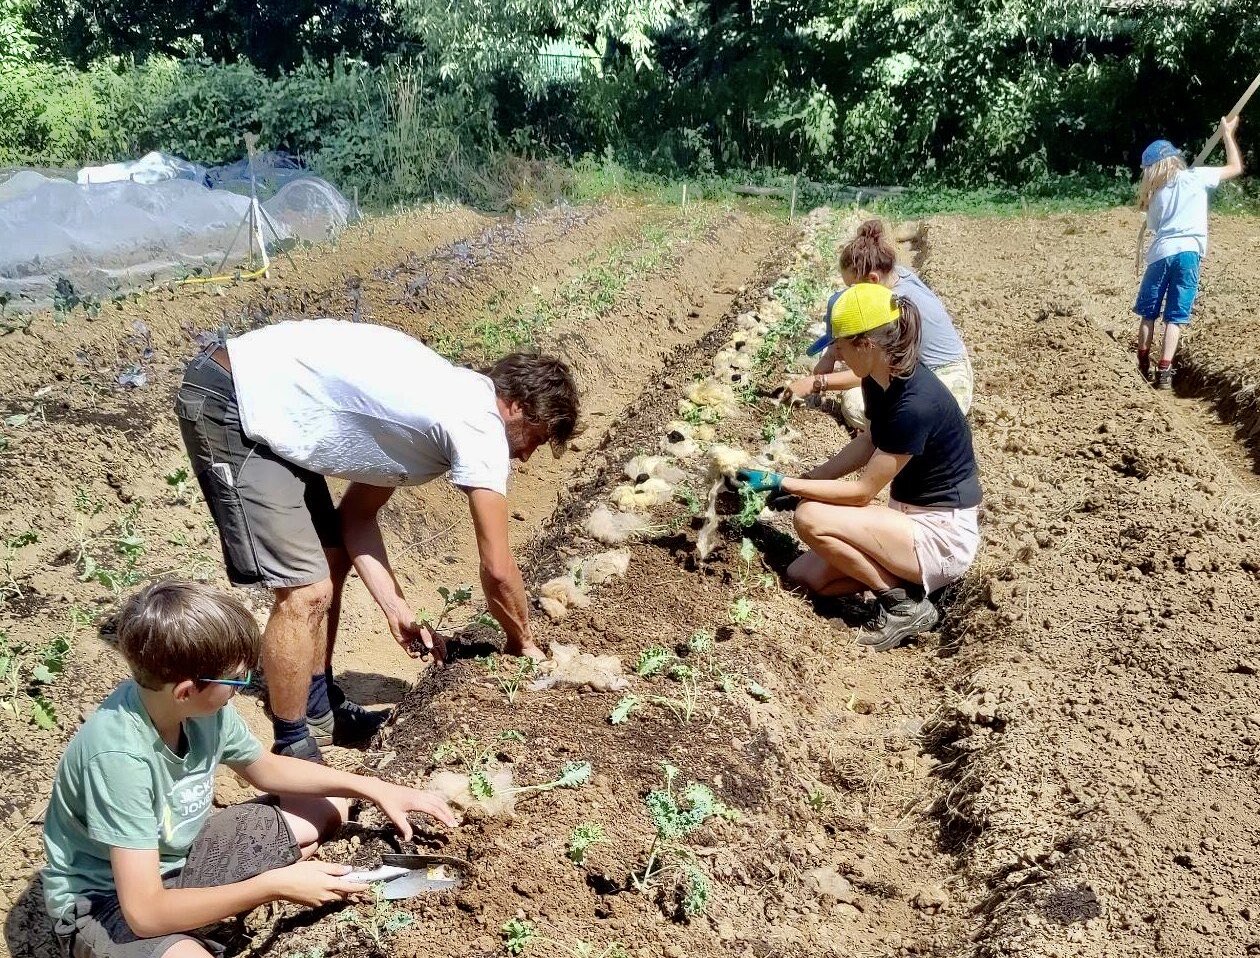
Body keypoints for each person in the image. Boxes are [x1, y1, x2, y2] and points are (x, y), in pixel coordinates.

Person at [176, 318, 579, 761]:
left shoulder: (444, 401)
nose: (526, 456)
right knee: (306, 590)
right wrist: (522, 641)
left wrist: (396, 609)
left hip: (272, 402)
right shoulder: (479, 424)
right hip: (234, 398)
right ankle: (293, 746)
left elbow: (355, 518)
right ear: (517, 406)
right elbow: (499, 569)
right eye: (537, 438)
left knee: (330, 555)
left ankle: (320, 709)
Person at [41, 580, 458, 958]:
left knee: (330, 803)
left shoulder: (198, 707)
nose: (240, 691)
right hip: (110, 901)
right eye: (237, 682)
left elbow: (265, 767)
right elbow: (145, 914)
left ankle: (212, 906)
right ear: (186, 691)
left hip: (181, 855)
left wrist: (372, 787)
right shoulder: (118, 759)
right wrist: (273, 886)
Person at [739, 283, 982, 652]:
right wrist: (808, 479)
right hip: (907, 521)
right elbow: (868, 442)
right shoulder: (878, 379)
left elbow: (862, 492)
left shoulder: (915, 404)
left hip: (940, 535)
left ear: (866, 344)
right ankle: (909, 586)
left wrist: (785, 484)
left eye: (840, 346)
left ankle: (900, 603)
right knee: (804, 576)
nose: (837, 355)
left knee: (811, 518)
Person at [784, 219, 972, 430]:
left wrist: (818, 382)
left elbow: (880, 369)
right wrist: (831, 355)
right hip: (922, 367)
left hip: (947, 380)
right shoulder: (894, 276)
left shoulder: (896, 308)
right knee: (855, 355)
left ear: (873, 279)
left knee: (855, 404)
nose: (851, 294)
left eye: (854, 287)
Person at [1134, 117, 1244, 389]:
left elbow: (1154, 226)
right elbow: (1235, 167)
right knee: (1175, 317)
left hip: (1161, 254)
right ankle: (1164, 372)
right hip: (1189, 254)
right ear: (1175, 159)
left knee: (1149, 313)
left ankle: (1142, 364)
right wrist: (1227, 134)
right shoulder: (1197, 176)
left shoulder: (1156, 196)